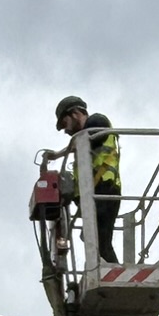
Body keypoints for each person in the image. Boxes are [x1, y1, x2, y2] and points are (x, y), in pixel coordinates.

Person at [55, 94, 122, 265]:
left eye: (64, 123)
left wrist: (57, 154)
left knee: (99, 238)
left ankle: (113, 271)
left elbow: (88, 138)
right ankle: (110, 269)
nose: (65, 130)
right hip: (95, 194)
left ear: (75, 114)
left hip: (105, 189)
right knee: (96, 239)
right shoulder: (83, 141)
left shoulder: (97, 121)